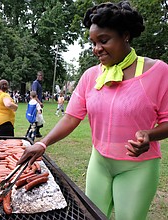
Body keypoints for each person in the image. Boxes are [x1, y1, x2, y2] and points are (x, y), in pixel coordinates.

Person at [17, 1, 168, 220]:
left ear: (125, 35)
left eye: (103, 40)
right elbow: (71, 117)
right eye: (93, 42)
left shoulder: (158, 71)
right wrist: (42, 142)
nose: (97, 49)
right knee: (89, 216)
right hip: (100, 163)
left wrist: (149, 135)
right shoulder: (90, 76)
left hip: (138, 168)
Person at [32, 71, 44, 137]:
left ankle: (37, 131)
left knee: (39, 118)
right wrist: (39, 102)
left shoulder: (39, 83)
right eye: (40, 76)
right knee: (36, 118)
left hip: (39, 102)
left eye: (41, 76)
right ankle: (35, 132)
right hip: (36, 103)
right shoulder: (35, 83)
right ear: (37, 76)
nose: (41, 77)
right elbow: (34, 94)